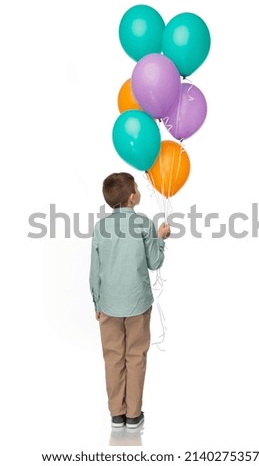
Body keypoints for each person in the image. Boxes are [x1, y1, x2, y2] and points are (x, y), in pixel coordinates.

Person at [89, 172, 170, 429]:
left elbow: (94, 269)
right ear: (133, 197)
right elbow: (154, 262)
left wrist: (97, 303)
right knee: (135, 357)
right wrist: (161, 238)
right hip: (137, 304)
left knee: (113, 358)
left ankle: (116, 414)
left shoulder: (100, 227)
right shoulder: (144, 224)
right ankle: (133, 415)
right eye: (137, 187)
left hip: (109, 306)